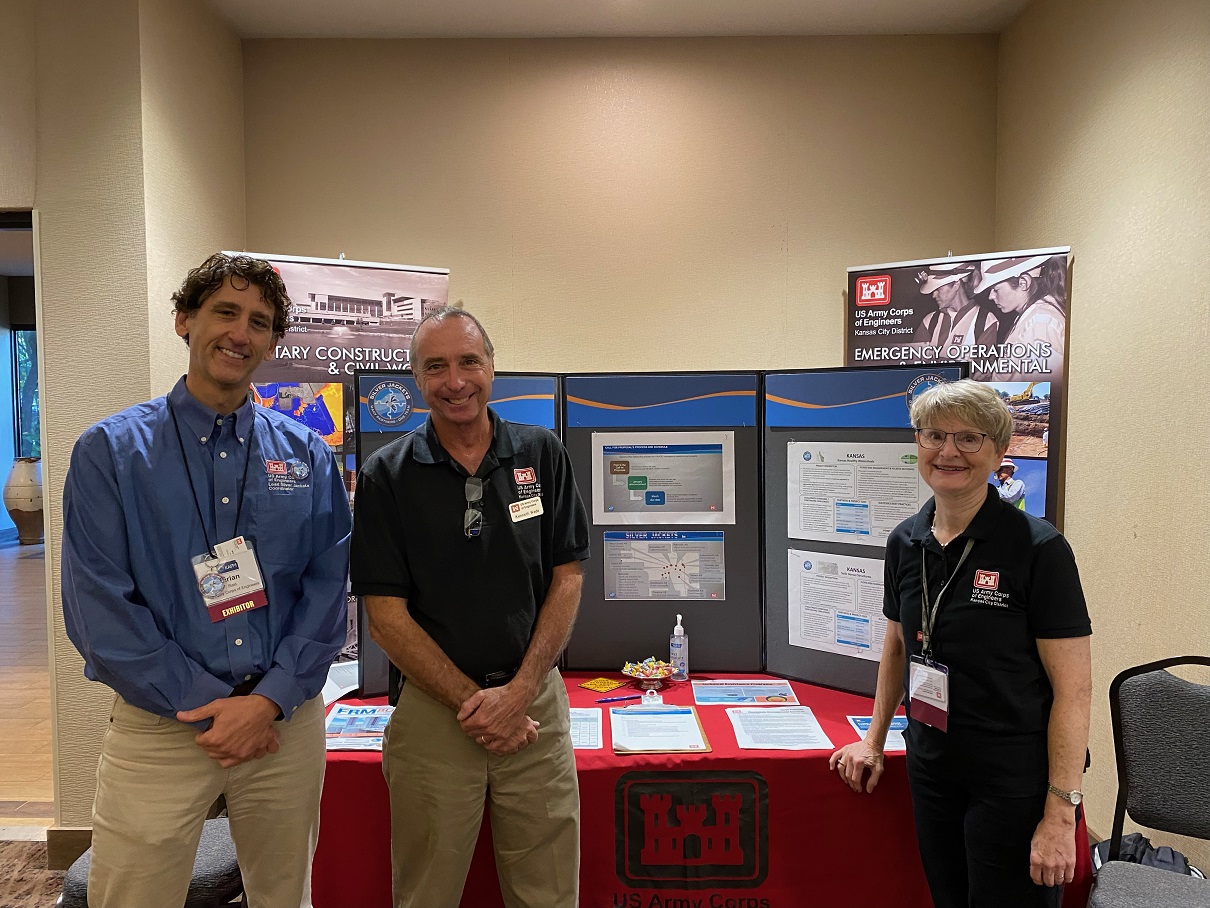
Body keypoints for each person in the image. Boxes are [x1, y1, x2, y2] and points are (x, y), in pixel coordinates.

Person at [61, 253, 352, 907]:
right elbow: (99, 607)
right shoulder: (109, 454)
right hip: (160, 725)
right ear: (183, 320)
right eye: (224, 311)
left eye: (259, 321)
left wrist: (267, 701)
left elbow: (328, 588)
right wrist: (207, 704)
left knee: (284, 896)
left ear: (274, 342)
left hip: (283, 723)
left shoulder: (307, 455)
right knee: (130, 896)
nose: (240, 333)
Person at [351, 307, 589, 908]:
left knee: (549, 891)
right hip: (434, 718)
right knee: (426, 890)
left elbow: (567, 578)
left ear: (491, 368)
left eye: (468, 362)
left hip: (533, 705)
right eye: (436, 367)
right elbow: (385, 616)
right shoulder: (388, 476)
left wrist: (519, 692)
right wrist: (476, 704)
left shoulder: (542, 453)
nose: (455, 380)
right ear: (415, 379)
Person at [829, 379, 1091, 908]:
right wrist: (875, 740)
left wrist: (1061, 814)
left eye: (969, 438)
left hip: (1012, 779)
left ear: (998, 451)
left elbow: (1075, 692)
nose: (947, 451)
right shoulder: (905, 540)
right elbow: (898, 646)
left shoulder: (1039, 550)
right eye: (933, 435)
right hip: (932, 766)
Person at [978, 254, 1067, 382]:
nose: (990, 296)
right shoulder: (1032, 315)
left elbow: (1045, 388)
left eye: (995, 289)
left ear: (1023, 283)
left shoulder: (1041, 323)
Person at [913, 263, 1000, 357]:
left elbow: (984, 369)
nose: (934, 295)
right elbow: (914, 364)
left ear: (956, 284)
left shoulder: (986, 321)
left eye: (938, 289)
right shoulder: (929, 321)